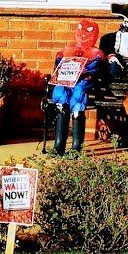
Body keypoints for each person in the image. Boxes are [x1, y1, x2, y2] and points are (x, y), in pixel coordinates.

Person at [50, 19, 105, 156]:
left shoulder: (96, 53)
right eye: (80, 29)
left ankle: (76, 146)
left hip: (83, 81)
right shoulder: (67, 49)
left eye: (89, 31)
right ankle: (59, 145)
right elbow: (57, 67)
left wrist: (87, 72)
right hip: (66, 80)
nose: (83, 33)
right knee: (60, 93)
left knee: (78, 97)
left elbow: (98, 70)